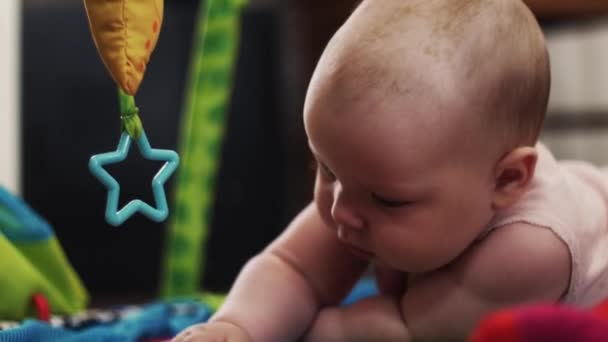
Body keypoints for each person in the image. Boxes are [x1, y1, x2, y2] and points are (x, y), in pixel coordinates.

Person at [173, 0, 608, 340]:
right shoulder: (366, 187)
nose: (341, 209)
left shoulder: (531, 250)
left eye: (387, 199)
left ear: (506, 180)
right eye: (326, 168)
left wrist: (295, 329)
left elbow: (401, 332)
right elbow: (291, 267)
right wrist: (238, 326)